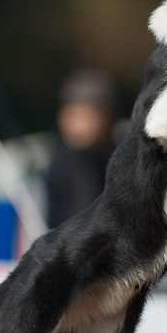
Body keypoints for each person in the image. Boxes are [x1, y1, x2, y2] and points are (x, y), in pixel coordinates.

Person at [47, 68, 118, 228]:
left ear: (109, 116)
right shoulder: (67, 157)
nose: (76, 123)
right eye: (72, 114)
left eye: (84, 115)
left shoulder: (114, 155)